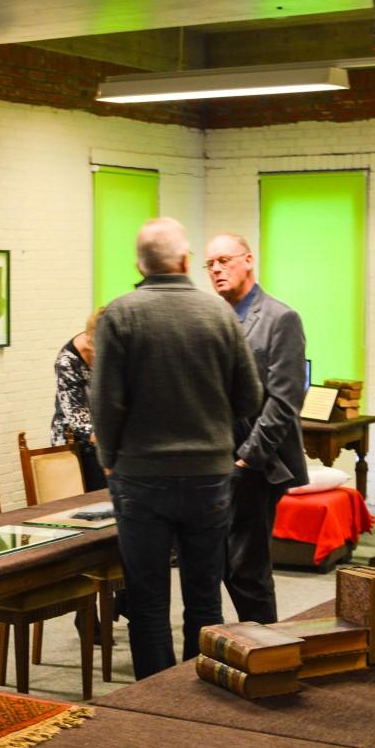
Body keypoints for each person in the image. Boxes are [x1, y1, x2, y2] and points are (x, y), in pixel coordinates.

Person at [91, 217, 261, 680]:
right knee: (204, 598)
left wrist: (109, 460)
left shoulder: (119, 316)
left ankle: (154, 696)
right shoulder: (219, 314)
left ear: (139, 267)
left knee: (147, 602)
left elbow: (105, 402)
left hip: (139, 479)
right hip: (209, 476)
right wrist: (211, 418)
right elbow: (250, 397)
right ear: (186, 261)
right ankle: (198, 692)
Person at [204, 233, 308, 624]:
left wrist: (247, 460)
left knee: (246, 569)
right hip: (214, 461)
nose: (216, 269)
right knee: (214, 564)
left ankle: (268, 646)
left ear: (248, 260)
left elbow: (285, 401)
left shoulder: (280, 318)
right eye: (210, 264)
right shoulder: (213, 318)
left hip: (256, 465)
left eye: (224, 260)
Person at [49, 306, 106, 491]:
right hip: (74, 442)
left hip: (103, 437)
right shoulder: (67, 361)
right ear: (92, 340)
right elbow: (78, 420)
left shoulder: (110, 349)